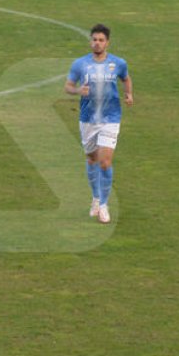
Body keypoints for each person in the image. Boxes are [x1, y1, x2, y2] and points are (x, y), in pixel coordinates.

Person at [64, 24, 133, 225]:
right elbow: (68, 86)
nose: (97, 43)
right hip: (88, 119)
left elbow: (126, 79)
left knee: (105, 161)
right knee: (92, 160)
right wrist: (78, 91)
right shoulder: (80, 64)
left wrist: (129, 94)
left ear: (107, 43)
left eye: (101, 40)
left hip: (110, 119)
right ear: (90, 41)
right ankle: (95, 198)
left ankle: (104, 205)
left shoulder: (118, 63)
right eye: (94, 39)